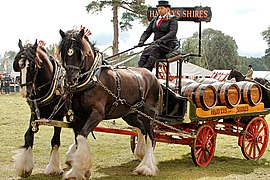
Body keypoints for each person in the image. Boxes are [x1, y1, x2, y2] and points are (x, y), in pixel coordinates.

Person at [137, 0, 178, 71]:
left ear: (167, 9)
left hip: (168, 44)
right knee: (145, 51)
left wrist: (161, 40)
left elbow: (172, 33)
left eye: (162, 8)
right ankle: (139, 70)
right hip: (156, 44)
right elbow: (147, 32)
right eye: (158, 9)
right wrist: (141, 41)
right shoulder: (155, 20)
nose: (160, 10)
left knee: (154, 50)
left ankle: (147, 72)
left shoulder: (172, 19)